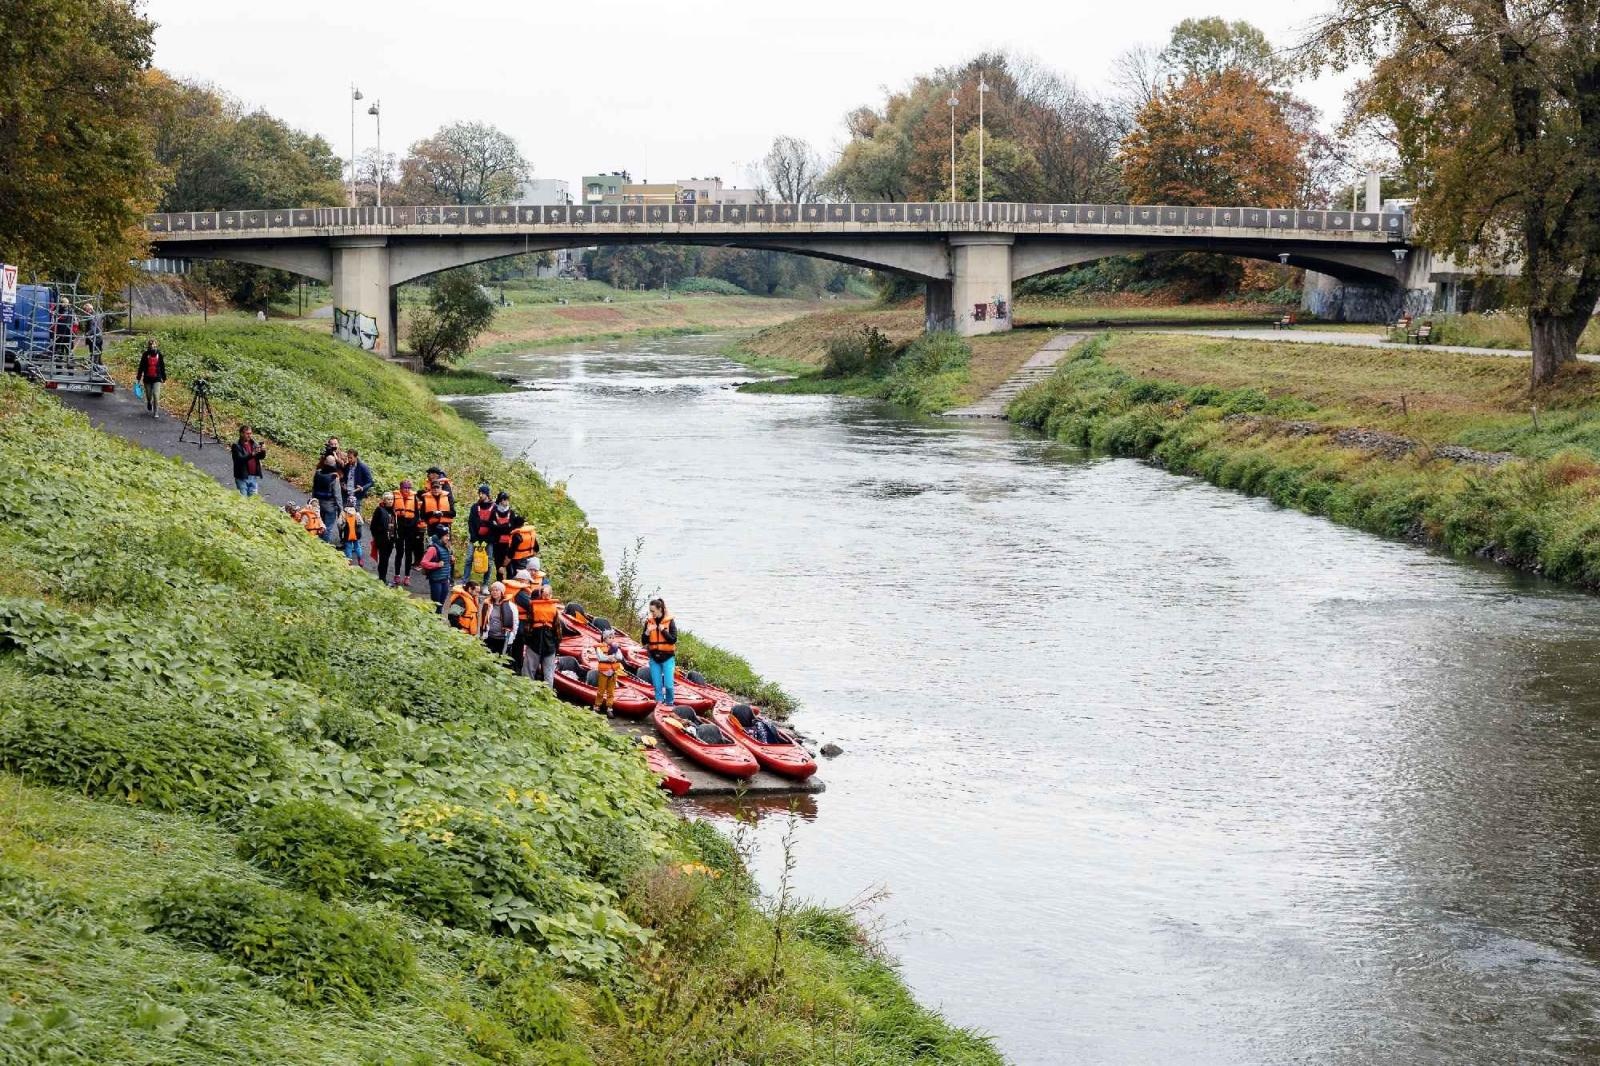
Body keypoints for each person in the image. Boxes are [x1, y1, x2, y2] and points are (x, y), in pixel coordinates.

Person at [522, 582, 562, 688]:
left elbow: (528, 625)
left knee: (528, 670)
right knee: (549, 673)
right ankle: (547, 696)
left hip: (535, 642)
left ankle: (525, 690)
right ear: (550, 595)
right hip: (549, 644)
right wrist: (556, 646)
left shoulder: (533, 606)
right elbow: (558, 630)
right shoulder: (554, 609)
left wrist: (527, 641)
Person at [642, 598, 678, 708]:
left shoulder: (670, 621)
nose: (651, 613)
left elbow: (673, 639)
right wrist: (647, 632)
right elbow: (644, 641)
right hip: (654, 658)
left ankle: (669, 703)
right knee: (657, 685)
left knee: (668, 685)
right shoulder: (649, 622)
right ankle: (659, 704)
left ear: (660, 609)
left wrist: (663, 631)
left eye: (653, 611)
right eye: (650, 611)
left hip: (667, 657)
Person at [392, 478, 423, 586]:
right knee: (399, 552)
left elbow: (417, 514)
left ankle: (407, 577)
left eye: (409, 488)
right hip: (399, 527)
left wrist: (413, 524)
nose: (407, 490)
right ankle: (397, 575)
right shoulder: (394, 497)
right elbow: (392, 512)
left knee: (409, 553)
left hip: (410, 528)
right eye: (405, 487)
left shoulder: (413, 497)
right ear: (400, 488)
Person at [417, 523, 454, 609]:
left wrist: (451, 560)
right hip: (436, 580)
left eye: (448, 536)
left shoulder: (447, 547)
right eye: (446, 536)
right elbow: (423, 563)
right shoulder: (433, 548)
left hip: (445, 579)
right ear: (440, 537)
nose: (448, 538)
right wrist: (437, 565)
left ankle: (438, 620)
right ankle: (433, 619)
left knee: (441, 603)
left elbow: (446, 562)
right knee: (435, 604)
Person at [311, 455, 343, 544]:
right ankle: (323, 545)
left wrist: (312, 501)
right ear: (334, 464)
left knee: (318, 524)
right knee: (328, 527)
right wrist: (341, 509)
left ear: (325, 462)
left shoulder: (318, 473)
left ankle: (315, 543)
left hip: (318, 504)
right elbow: (337, 495)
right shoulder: (334, 477)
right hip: (330, 506)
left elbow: (314, 488)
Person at [592, 626, 624, 718]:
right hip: (604, 672)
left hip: (613, 672)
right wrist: (609, 658)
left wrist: (614, 658)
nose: (612, 639)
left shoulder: (616, 647)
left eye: (613, 637)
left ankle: (609, 708)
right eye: (610, 637)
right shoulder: (600, 647)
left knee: (611, 692)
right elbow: (601, 657)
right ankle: (597, 706)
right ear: (605, 638)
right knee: (601, 691)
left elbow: (620, 657)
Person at [466, 484, 496, 578]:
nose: (480, 495)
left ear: (487, 494)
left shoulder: (494, 508)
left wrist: (486, 540)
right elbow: (471, 523)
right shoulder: (475, 507)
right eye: (479, 493)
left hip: (489, 539)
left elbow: (495, 526)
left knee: (489, 561)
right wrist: (474, 539)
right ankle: (464, 581)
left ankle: (485, 584)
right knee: (469, 559)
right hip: (475, 537)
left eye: (482, 493)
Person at [369, 491, 398, 584]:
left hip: (391, 539)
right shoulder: (379, 510)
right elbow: (373, 526)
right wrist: (378, 537)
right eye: (388, 499)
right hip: (382, 540)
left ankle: (383, 578)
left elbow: (394, 525)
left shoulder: (393, 510)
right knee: (383, 560)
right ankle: (382, 579)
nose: (390, 501)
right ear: (384, 500)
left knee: (386, 559)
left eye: (392, 499)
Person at [230, 425, 267, 497]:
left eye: (250, 433)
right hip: (242, 477)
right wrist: (252, 454)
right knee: (243, 500)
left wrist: (263, 451)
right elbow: (239, 460)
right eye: (247, 433)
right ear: (241, 433)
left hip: (253, 477)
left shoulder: (253, 443)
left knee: (253, 500)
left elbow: (260, 457)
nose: (249, 435)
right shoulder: (236, 446)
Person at [489, 493, 516, 580]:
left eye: (507, 499)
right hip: (497, 543)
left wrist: (499, 526)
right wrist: (505, 526)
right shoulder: (494, 512)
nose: (507, 501)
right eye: (505, 499)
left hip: (508, 544)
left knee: (509, 566)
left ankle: (509, 585)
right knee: (498, 566)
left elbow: (512, 527)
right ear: (501, 500)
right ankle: (499, 584)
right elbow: (492, 527)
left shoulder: (511, 513)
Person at [135, 339, 165, 417]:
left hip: (157, 379)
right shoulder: (145, 354)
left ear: (156, 345)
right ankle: (149, 402)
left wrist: (164, 377)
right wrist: (138, 378)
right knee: (149, 395)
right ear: (148, 346)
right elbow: (141, 366)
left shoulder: (159, 354)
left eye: (154, 344)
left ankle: (156, 412)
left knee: (156, 395)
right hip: (147, 379)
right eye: (151, 345)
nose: (152, 346)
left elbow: (162, 366)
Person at [421, 469, 455, 537]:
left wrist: (442, 513)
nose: (436, 490)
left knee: (445, 545)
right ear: (431, 488)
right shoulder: (426, 498)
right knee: (432, 546)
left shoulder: (447, 495)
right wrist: (433, 513)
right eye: (434, 488)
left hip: (444, 525)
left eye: (437, 488)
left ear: (441, 488)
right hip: (432, 527)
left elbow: (453, 513)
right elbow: (423, 515)